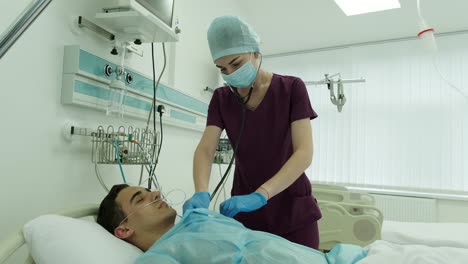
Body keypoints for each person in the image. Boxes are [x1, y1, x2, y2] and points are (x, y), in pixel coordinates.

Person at [183, 15, 321, 249]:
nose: (230, 74)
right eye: (222, 68)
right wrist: (201, 191)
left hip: (292, 208)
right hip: (245, 211)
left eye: (236, 64)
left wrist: (262, 194)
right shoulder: (221, 98)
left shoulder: (291, 88)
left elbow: (304, 152)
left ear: (256, 51)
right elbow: (206, 150)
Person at [97, 184, 367, 264]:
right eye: (139, 198)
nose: (154, 193)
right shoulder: (158, 257)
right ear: (123, 229)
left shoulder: (198, 217)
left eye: (148, 189)